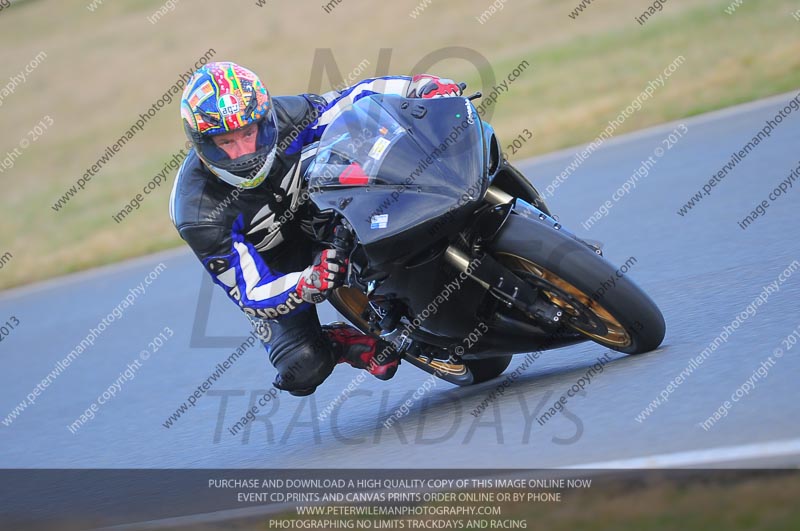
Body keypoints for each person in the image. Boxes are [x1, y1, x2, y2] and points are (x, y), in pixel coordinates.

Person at [169, 62, 463, 396]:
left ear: (264, 120)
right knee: (302, 366)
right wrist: (305, 284)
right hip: (274, 266)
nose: (244, 153)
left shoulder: (286, 116)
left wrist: (416, 88)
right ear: (203, 144)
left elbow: (350, 101)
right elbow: (251, 291)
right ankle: (338, 343)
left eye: (249, 133)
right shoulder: (197, 212)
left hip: (320, 212)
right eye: (226, 141)